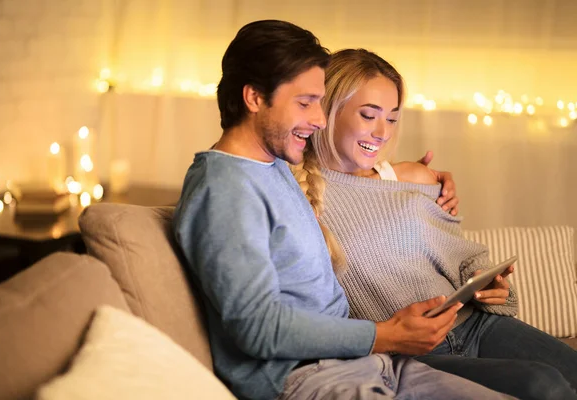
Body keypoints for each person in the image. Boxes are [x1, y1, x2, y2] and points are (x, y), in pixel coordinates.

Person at [172, 20, 518, 400]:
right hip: (310, 376)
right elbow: (257, 327)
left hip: (363, 361)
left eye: (319, 103)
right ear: (254, 98)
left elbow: (343, 183)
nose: (319, 120)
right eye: (305, 103)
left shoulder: (272, 168)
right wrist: (385, 334)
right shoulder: (225, 189)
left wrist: (411, 180)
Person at [294, 48, 577, 400]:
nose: (382, 132)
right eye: (369, 115)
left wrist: (491, 282)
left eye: (393, 118)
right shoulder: (296, 195)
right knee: (543, 386)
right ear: (329, 112)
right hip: (411, 353)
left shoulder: (411, 176)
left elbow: (461, 255)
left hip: (477, 324)